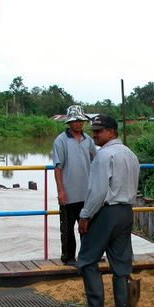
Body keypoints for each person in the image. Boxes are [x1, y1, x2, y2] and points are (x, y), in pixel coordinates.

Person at [73, 114, 140, 307]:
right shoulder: (130, 154)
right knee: (121, 263)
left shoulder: (103, 156)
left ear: (111, 131)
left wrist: (85, 215)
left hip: (107, 212)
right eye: (93, 131)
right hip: (126, 211)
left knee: (86, 259)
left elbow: (98, 191)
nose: (94, 135)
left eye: (99, 131)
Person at [52, 105, 97, 266]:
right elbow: (58, 167)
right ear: (69, 122)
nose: (78, 124)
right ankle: (69, 257)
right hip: (69, 194)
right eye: (75, 121)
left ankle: (88, 256)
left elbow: (96, 160)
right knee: (68, 229)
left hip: (86, 193)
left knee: (88, 228)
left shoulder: (88, 140)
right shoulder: (61, 141)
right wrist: (61, 191)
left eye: (80, 121)